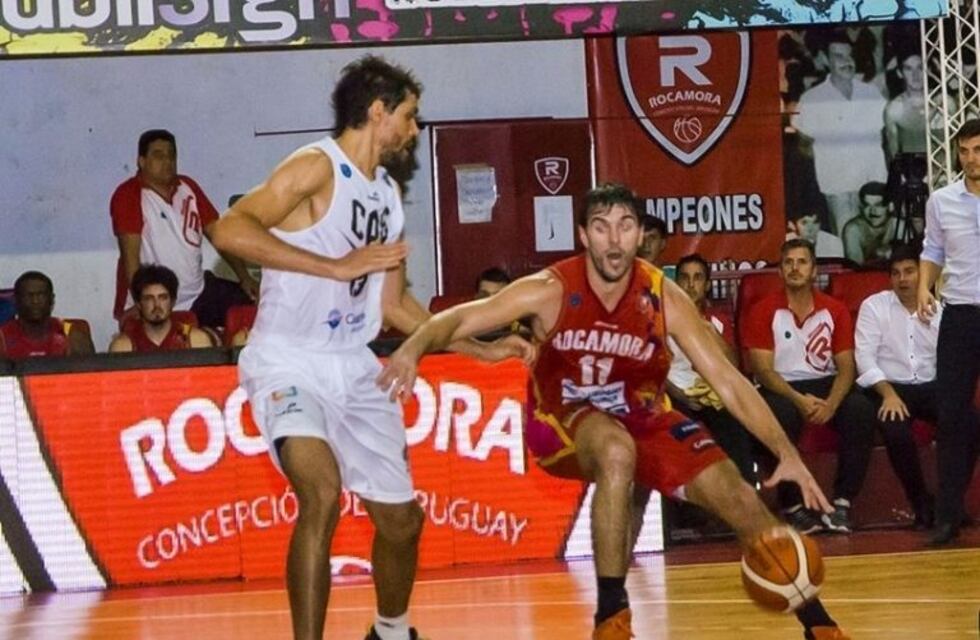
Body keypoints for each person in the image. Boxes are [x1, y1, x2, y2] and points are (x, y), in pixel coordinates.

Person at [379, 183, 849, 640]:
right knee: (616, 450)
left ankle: (819, 623)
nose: (614, 238)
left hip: (644, 415)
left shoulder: (662, 295)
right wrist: (413, 349)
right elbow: (458, 318)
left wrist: (784, 450)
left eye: (625, 226)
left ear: (640, 234)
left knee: (742, 498)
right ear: (584, 235)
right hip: (559, 421)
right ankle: (611, 618)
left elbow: (726, 381)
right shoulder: (551, 288)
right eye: (601, 227)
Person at [208, 56, 530, 640]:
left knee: (403, 522)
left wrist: (477, 347)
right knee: (322, 493)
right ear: (377, 111)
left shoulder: (385, 196)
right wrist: (334, 266)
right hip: (287, 358)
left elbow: (395, 309)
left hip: (354, 365)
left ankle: (391, 630)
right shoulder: (314, 165)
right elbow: (227, 230)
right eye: (408, 116)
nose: (413, 129)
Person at [744, 239, 876, 535]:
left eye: (802, 262)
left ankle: (842, 503)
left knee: (860, 409)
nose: (795, 268)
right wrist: (798, 399)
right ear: (780, 271)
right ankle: (793, 507)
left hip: (825, 381)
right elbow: (762, 370)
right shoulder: (764, 310)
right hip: (781, 384)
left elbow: (846, 367)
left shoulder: (835, 309)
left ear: (814, 270)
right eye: (788, 262)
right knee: (780, 416)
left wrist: (831, 403)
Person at [110, 129, 259, 330]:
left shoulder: (188, 187)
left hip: (198, 292)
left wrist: (244, 277)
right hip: (154, 301)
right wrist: (140, 301)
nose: (167, 161)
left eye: (172, 155)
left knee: (258, 306)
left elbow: (219, 234)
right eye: (158, 155)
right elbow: (130, 256)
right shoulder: (129, 194)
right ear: (141, 161)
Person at [916, 118, 980, 546]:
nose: (971, 159)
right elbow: (932, 249)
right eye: (965, 151)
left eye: (977, 149)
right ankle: (947, 515)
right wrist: (923, 286)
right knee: (952, 415)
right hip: (959, 313)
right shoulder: (941, 200)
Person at [855, 244, 938, 528]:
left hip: (931, 386)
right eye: (896, 273)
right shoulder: (874, 306)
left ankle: (950, 502)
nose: (903, 279)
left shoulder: (943, 308)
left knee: (968, 423)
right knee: (895, 427)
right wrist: (888, 394)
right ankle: (921, 503)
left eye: (910, 271)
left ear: (923, 272)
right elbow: (863, 358)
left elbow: (952, 361)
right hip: (886, 385)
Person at [667, 254, 755, 482]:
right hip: (674, 392)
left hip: (712, 392)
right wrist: (679, 394)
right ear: (676, 283)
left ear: (707, 285)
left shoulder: (717, 319)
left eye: (697, 278)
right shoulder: (661, 320)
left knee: (735, 420)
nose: (690, 284)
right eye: (684, 278)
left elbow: (734, 367)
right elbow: (653, 370)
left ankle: (743, 495)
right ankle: (682, 510)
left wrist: (707, 331)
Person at [796, 31, 888, 234]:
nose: (847, 62)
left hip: (873, 187)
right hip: (838, 189)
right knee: (848, 243)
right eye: (839, 56)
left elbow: (885, 135)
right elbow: (804, 144)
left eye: (849, 55)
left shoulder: (871, 93)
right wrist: (831, 160)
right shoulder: (811, 99)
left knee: (876, 244)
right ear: (825, 60)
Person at [108, 265, 213, 352]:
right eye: (149, 298)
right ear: (139, 304)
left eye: (163, 298)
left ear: (172, 301)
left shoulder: (195, 340)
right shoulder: (123, 346)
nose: (157, 305)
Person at [0, 271, 94, 359]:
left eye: (41, 295)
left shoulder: (72, 334)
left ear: (52, 300)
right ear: (15, 300)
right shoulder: (2, 337)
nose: (35, 301)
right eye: (29, 296)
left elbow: (90, 374)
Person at [841, 181, 897, 265]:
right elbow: (856, 268)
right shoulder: (853, 229)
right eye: (867, 205)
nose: (872, 212)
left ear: (890, 207)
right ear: (861, 208)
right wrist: (877, 255)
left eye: (878, 205)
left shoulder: (898, 225)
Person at [884, 51, 927, 161]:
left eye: (920, 68)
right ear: (900, 73)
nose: (915, 75)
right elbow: (894, 151)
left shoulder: (944, 102)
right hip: (913, 174)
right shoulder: (894, 109)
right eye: (909, 69)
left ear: (928, 69)